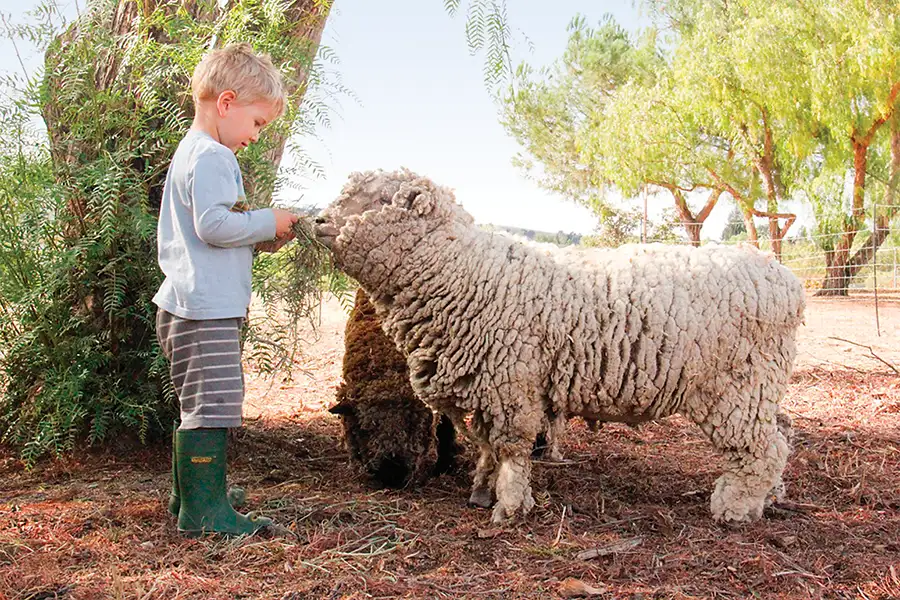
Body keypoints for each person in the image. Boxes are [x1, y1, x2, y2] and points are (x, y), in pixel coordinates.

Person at [153, 42, 298, 536]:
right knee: (212, 405)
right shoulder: (212, 155)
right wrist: (267, 220)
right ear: (227, 103)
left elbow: (211, 231)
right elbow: (214, 225)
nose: (256, 137)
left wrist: (261, 238)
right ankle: (204, 514)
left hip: (192, 305)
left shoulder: (194, 151)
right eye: (257, 124)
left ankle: (192, 495)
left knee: (201, 403)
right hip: (203, 311)